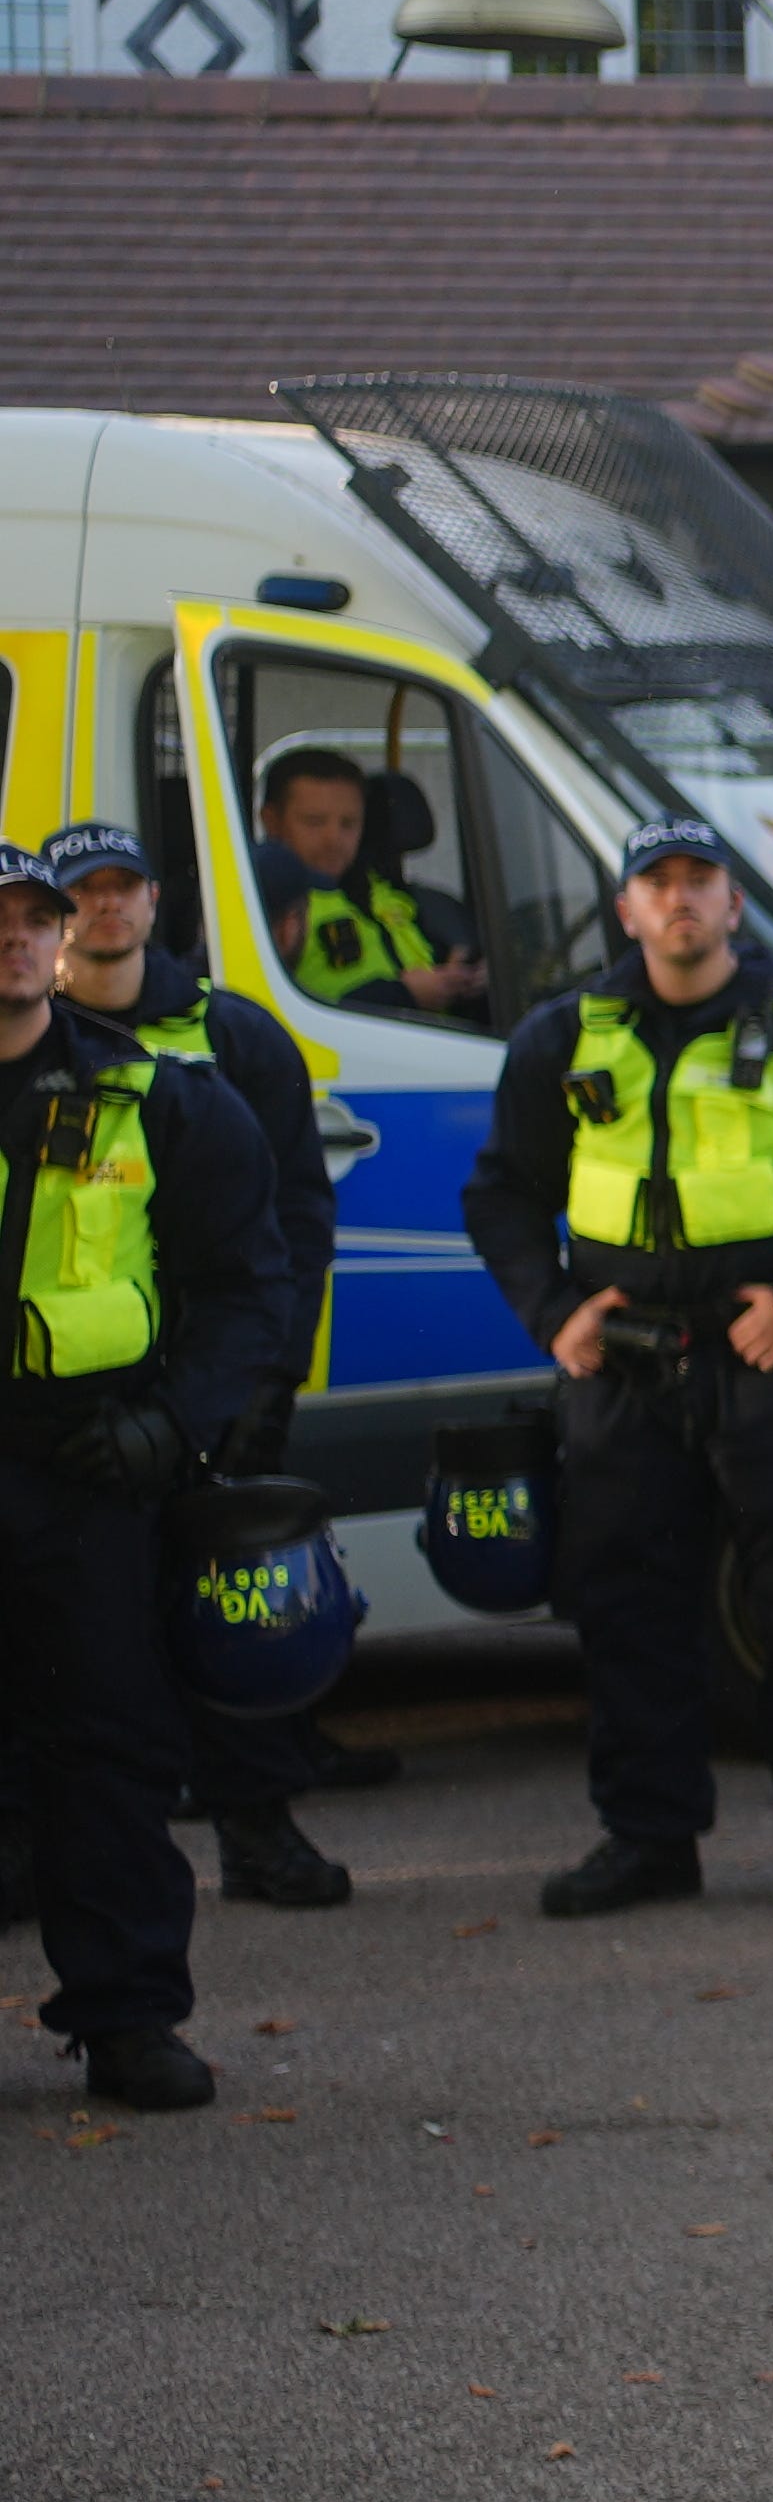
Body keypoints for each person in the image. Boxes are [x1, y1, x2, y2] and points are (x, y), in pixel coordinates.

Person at [463, 820, 773, 1919]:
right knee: (627, 1600)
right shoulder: (563, 1039)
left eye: (700, 882)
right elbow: (500, 1194)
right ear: (624, 909)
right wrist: (556, 1314)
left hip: (769, 1350)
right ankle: (648, 1838)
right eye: (656, 884)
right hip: (625, 1365)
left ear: (735, 904)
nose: (680, 901)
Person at [0, 837, 283, 2112]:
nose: (14, 938)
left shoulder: (158, 1099)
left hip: (88, 1473)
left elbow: (244, 1290)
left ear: (63, 942)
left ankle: (125, 2018)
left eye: (32, 919)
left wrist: (171, 1429)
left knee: (108, 1746)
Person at [43, 819, 371, 1908]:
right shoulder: (24, 1043)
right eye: (81, 891)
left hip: (214, 1382)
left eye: (122, 886)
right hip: (77, 1394)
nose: (105, 907)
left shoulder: (234, 1037)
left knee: (241, 1618)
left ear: (151, 902)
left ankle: (259, 1831)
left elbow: (296, 1216)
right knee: (82, 1651)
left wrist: (266, 1379)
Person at [249, 742, 483, 1023]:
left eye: (348, 824)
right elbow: (263, 1012)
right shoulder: (261, 900)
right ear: (271, 821)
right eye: (314, 821)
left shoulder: (387, 896)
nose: (333, 839)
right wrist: (404, 995)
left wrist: (462, 977)